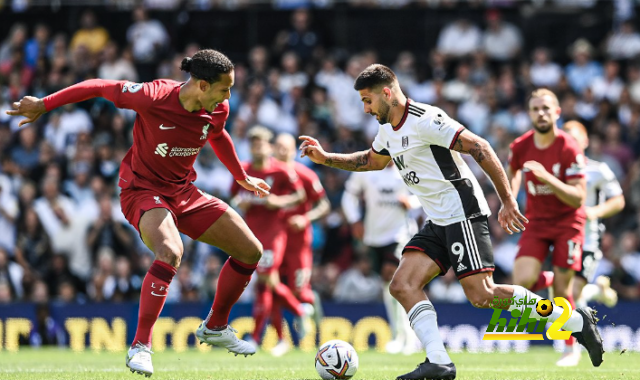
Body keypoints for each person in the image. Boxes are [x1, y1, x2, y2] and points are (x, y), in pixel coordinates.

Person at [299, 64, 604, 380]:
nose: (365, 108)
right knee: (403, 285)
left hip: (463, 214)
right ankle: (439, 361)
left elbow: (480, 147)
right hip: (438, 220)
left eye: (368, 100)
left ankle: (572, 320)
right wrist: (327, 158)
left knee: (483, 295)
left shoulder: (426, 119)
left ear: (386, 93)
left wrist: (508, 200)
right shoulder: (387, 126)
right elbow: (373, 161)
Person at [8, 49, 271, 377]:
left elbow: (216, 135)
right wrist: (44, 104)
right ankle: (141, 346)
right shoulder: (154, 96)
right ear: (202, 85)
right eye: (224, 88)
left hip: (184, 192)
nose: (229, 96)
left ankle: (215, 325)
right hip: (142, 191)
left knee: (250, 251)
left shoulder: (217, 108)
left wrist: (240, 175)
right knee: (171, 251)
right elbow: (98, 86)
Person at [527, 120, 625, 366]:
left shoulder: (598, 169)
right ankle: (599, 293)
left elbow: (619, 200)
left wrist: (594, 211)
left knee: (568, 292)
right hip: (559, 237)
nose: (568, 142)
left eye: (574, 138)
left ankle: (571, 350)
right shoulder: (555, 172)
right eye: (565, 138)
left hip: (588, 240)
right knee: (563, 292)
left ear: (585, 142)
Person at [508, 89, 588, 367]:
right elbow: (514, 171)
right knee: (521, 282)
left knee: (564, 292)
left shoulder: (569, 147)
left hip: (568, 223)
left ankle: (571, 349)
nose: (540, 113)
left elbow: (579, 197)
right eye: (535, 109)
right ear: (529, 114)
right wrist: (509, 200)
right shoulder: (520, 145)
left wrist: (547, 178)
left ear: (556, 112)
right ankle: (555, 278)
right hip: (537, 222)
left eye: (545, 108)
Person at [229, 126, 311, 350]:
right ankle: (284, 333)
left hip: (274, 234)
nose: (257, 148)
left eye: (261, 144)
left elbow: (299, 196)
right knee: (265, 287)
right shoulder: (243, 170)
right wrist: (240, 203)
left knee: (265, 281)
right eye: (253, 144)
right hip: (251, 234)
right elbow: (233, 196)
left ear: (269, 147)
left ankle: (259, 336)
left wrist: (276, 201)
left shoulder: (280, 171)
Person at [341, 160, 421, 355]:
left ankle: (406, 337)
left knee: (392, 277)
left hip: (400, 234)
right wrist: (355, 220)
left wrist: (411, 202)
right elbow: (348, 196)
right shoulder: (366, 171)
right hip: (374, 236)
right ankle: (399, 335)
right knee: (389, 285)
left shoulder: (407, 167)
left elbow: (425, 193)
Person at [268, 132, 330, 356]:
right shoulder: (267, 175)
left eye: (287, 147)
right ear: (273, 148)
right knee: (271, 287)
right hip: (273, 240)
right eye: (279, 146)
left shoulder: (305, 174)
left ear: (294, 150)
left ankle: (317, 331)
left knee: (299, 291)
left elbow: (324, 205)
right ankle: (280, 340)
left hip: (298, 243)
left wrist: (305, 218)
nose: (282, 151)